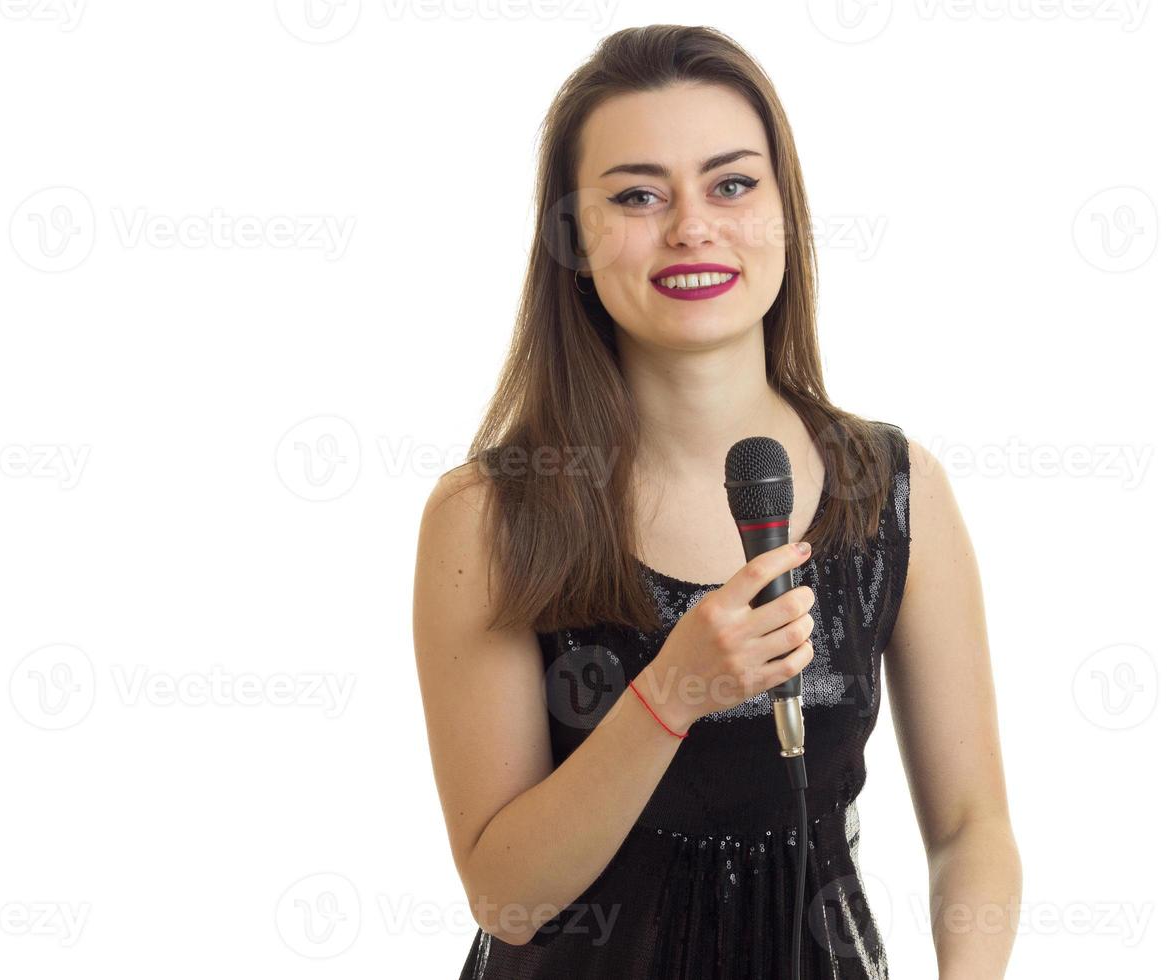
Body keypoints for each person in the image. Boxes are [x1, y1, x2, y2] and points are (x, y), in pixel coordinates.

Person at [414, 24, 1021, 979]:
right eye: (638, 196)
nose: (691, 226)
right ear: (573, 236)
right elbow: (508, 898)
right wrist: (671, 694)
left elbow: (970, 827)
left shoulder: (894, 492)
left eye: (732, 184)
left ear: (785, 212)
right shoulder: (490, 516)